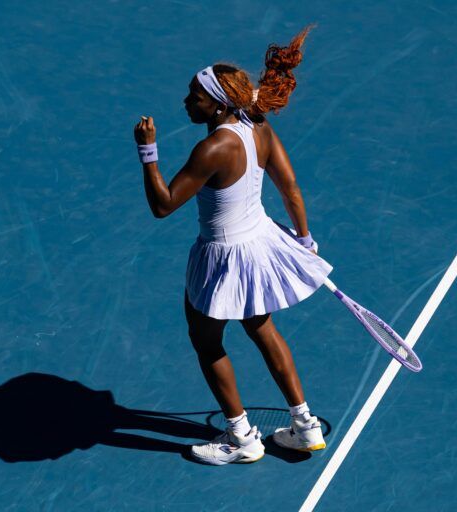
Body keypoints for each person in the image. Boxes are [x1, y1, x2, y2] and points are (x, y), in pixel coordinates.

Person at [133, 26, 332, 465]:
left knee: (206, 343)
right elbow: (291, 189)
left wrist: (148, 152)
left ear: (217, 103)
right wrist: (304, 239)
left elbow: (163, 206)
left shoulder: (212, 148)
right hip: (260, 247)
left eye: (194, 96)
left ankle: (241, 439)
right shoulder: (257, 127)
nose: (187, 102)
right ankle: (305, 426)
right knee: (262, 329)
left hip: (221, 259)